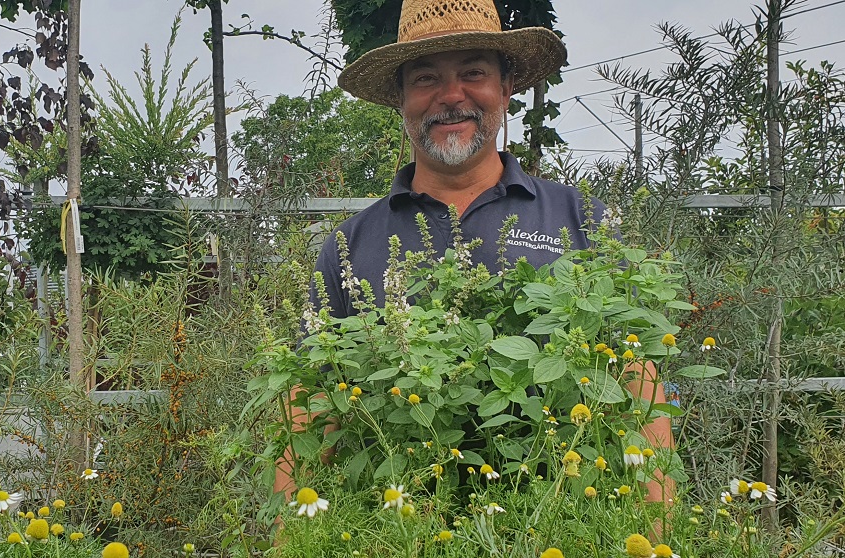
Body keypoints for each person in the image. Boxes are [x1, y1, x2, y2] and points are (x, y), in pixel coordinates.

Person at [275, 0, 673, 504]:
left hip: (566, 525)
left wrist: (659, 528)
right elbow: (309, 404)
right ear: (400, 98)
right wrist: (294, 537)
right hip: (392, 532)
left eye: (474, 72)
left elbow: (638, 381)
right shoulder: (349, 248)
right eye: (425, 78)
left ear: (506, 88)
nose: (451, 95)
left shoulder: (582, 219)